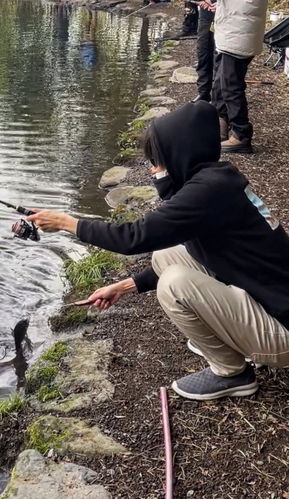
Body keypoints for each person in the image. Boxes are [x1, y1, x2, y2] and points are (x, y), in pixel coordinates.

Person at [26, 102, 289, 402]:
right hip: (270, 299)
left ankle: (232, 372)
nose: (152, 170)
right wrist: (124, 287)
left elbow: (132, 238)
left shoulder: (205, 194)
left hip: (282, 329)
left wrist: (64, 222)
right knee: (166, 257)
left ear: (180, 152)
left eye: (157, 161)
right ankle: (227, 338)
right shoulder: (218, 179)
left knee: (173, 284)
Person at [212, 0, 269, 153]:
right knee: (219, 81)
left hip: (238, 27)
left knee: (231, 84)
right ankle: (220, 125)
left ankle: (241, 134)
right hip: (234, 25)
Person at [191, 0, 216, 103]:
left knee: (219, 57)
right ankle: (203, 93)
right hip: (205, 14)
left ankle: (219, 96)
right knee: (203, 52)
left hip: (224, 14)